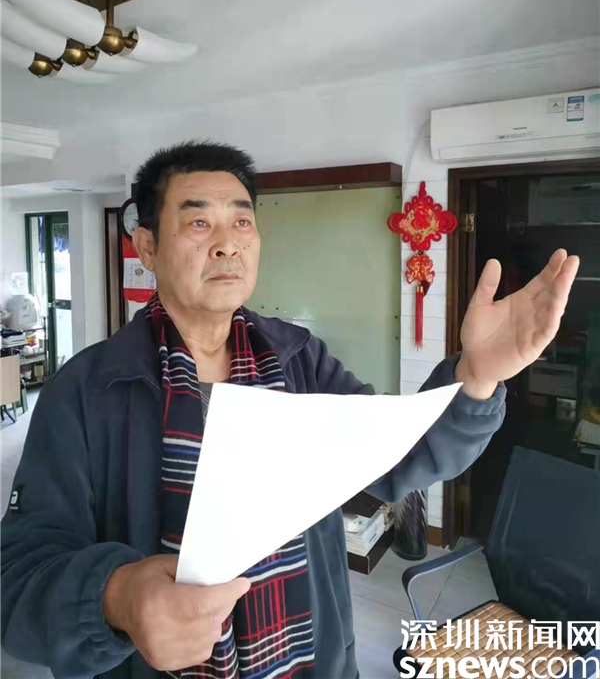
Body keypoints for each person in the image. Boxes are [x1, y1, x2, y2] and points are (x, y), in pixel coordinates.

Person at [1, 141, 579, 679]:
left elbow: (396, 458)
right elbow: (17, 576)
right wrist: (116, 597)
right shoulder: (86, 390)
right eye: (199, 222)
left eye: (242, 221)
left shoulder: (299, 359)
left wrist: (475, 376)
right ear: (147, 247)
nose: (227, 243)